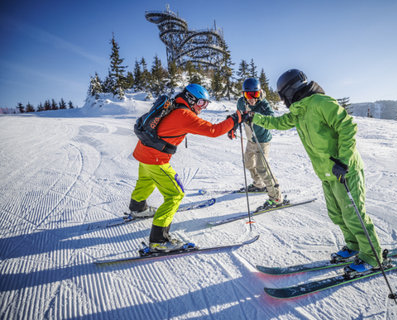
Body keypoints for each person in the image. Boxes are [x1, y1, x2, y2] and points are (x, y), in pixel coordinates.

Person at [246, 69, 384, 273]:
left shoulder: (321, 103)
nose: (283, 101)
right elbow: (280, 123)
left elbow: (348, 127)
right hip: (326, 173)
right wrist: (255, 118)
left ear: (290, 91)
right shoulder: (299, 110)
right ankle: (354, 246)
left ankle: (372, 256)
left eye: (283, 96)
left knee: (354, 215)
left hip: (344, 170)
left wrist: (344, 161)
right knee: (337, 214)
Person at [129, 84, 243, 252]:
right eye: (202, 103)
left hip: (144, 152)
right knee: (176, 194)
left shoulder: (175, 106)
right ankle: (159, 240)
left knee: (146, 180)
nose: (203, 108)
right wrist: (234, 119)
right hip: (155, 158)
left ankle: (138, 208)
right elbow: (213, 130)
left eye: (206, 104)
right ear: (191, 99)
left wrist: (231, 121)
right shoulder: (185, 114)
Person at [235, 78, 285, 210]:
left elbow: (272, 119)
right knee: (248, 163)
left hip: (262, 140)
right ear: (243, 94)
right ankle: (259, 185)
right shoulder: (241, 103)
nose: (251, 99)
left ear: (259, 93)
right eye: (248, 95)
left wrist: (254, 115)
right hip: (251, 139)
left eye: (255, 95)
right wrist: (233, 127)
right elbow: (238, 116)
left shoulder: (264, 105)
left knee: (262, 168)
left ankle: (276, 198)